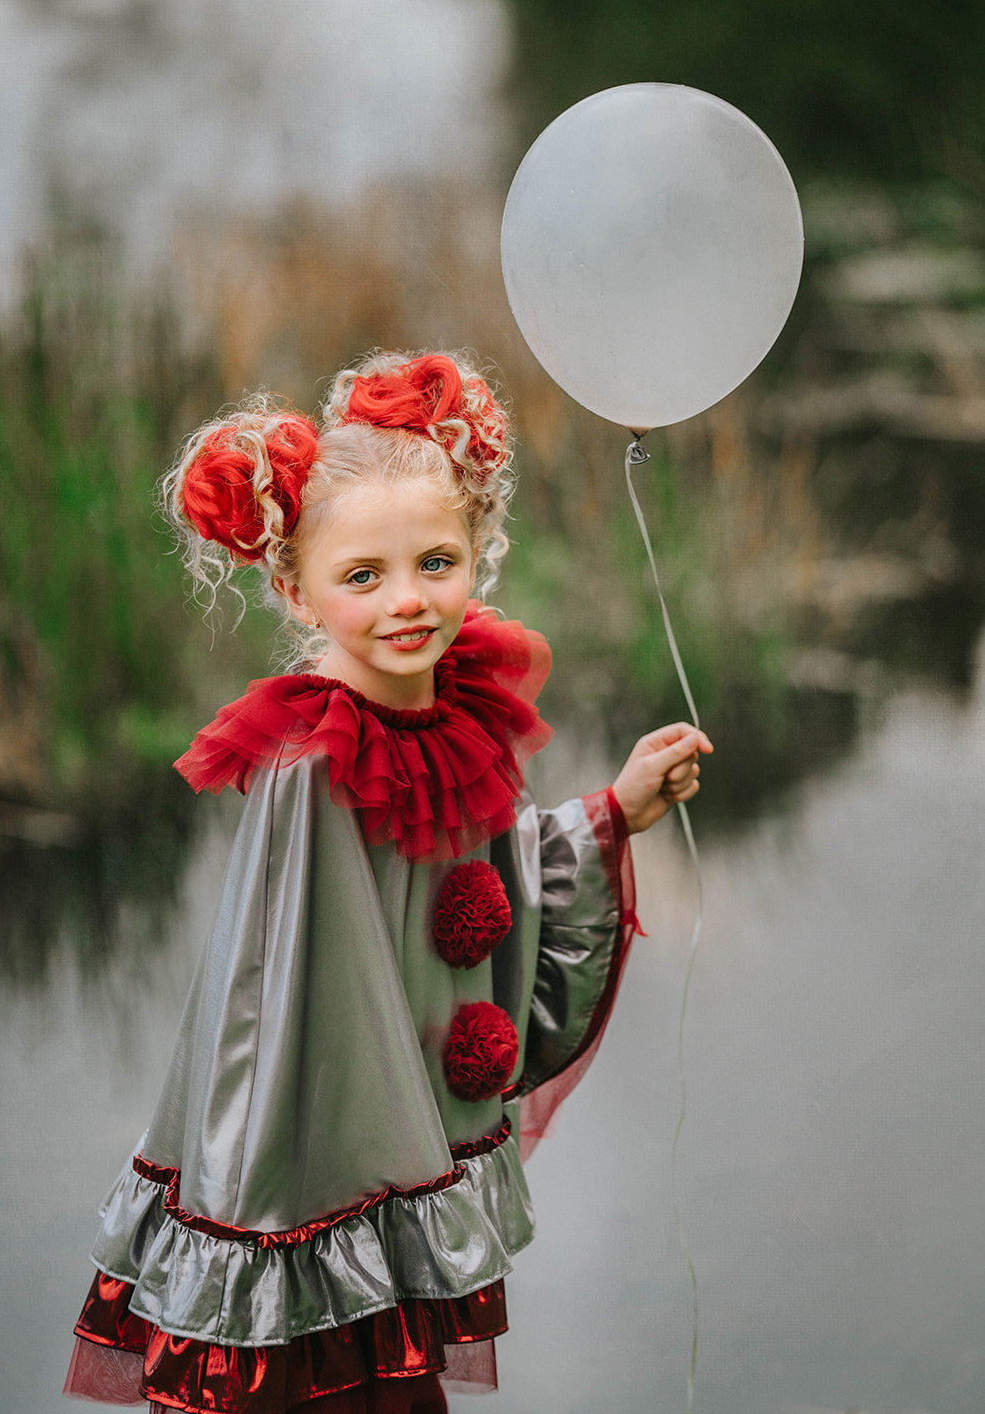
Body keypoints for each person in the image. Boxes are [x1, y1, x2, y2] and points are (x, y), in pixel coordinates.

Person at [64, 351, 711, 1414]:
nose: (408, 602)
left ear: (477, 553)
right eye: (362, 576)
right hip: (322, 1166)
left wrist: (611, 814)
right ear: (293, 586)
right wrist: (365, 1191)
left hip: (398, 1154)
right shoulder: (311, 764)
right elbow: (284, 1002)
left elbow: (480, 880)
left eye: (437, 561)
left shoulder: (454, 706)